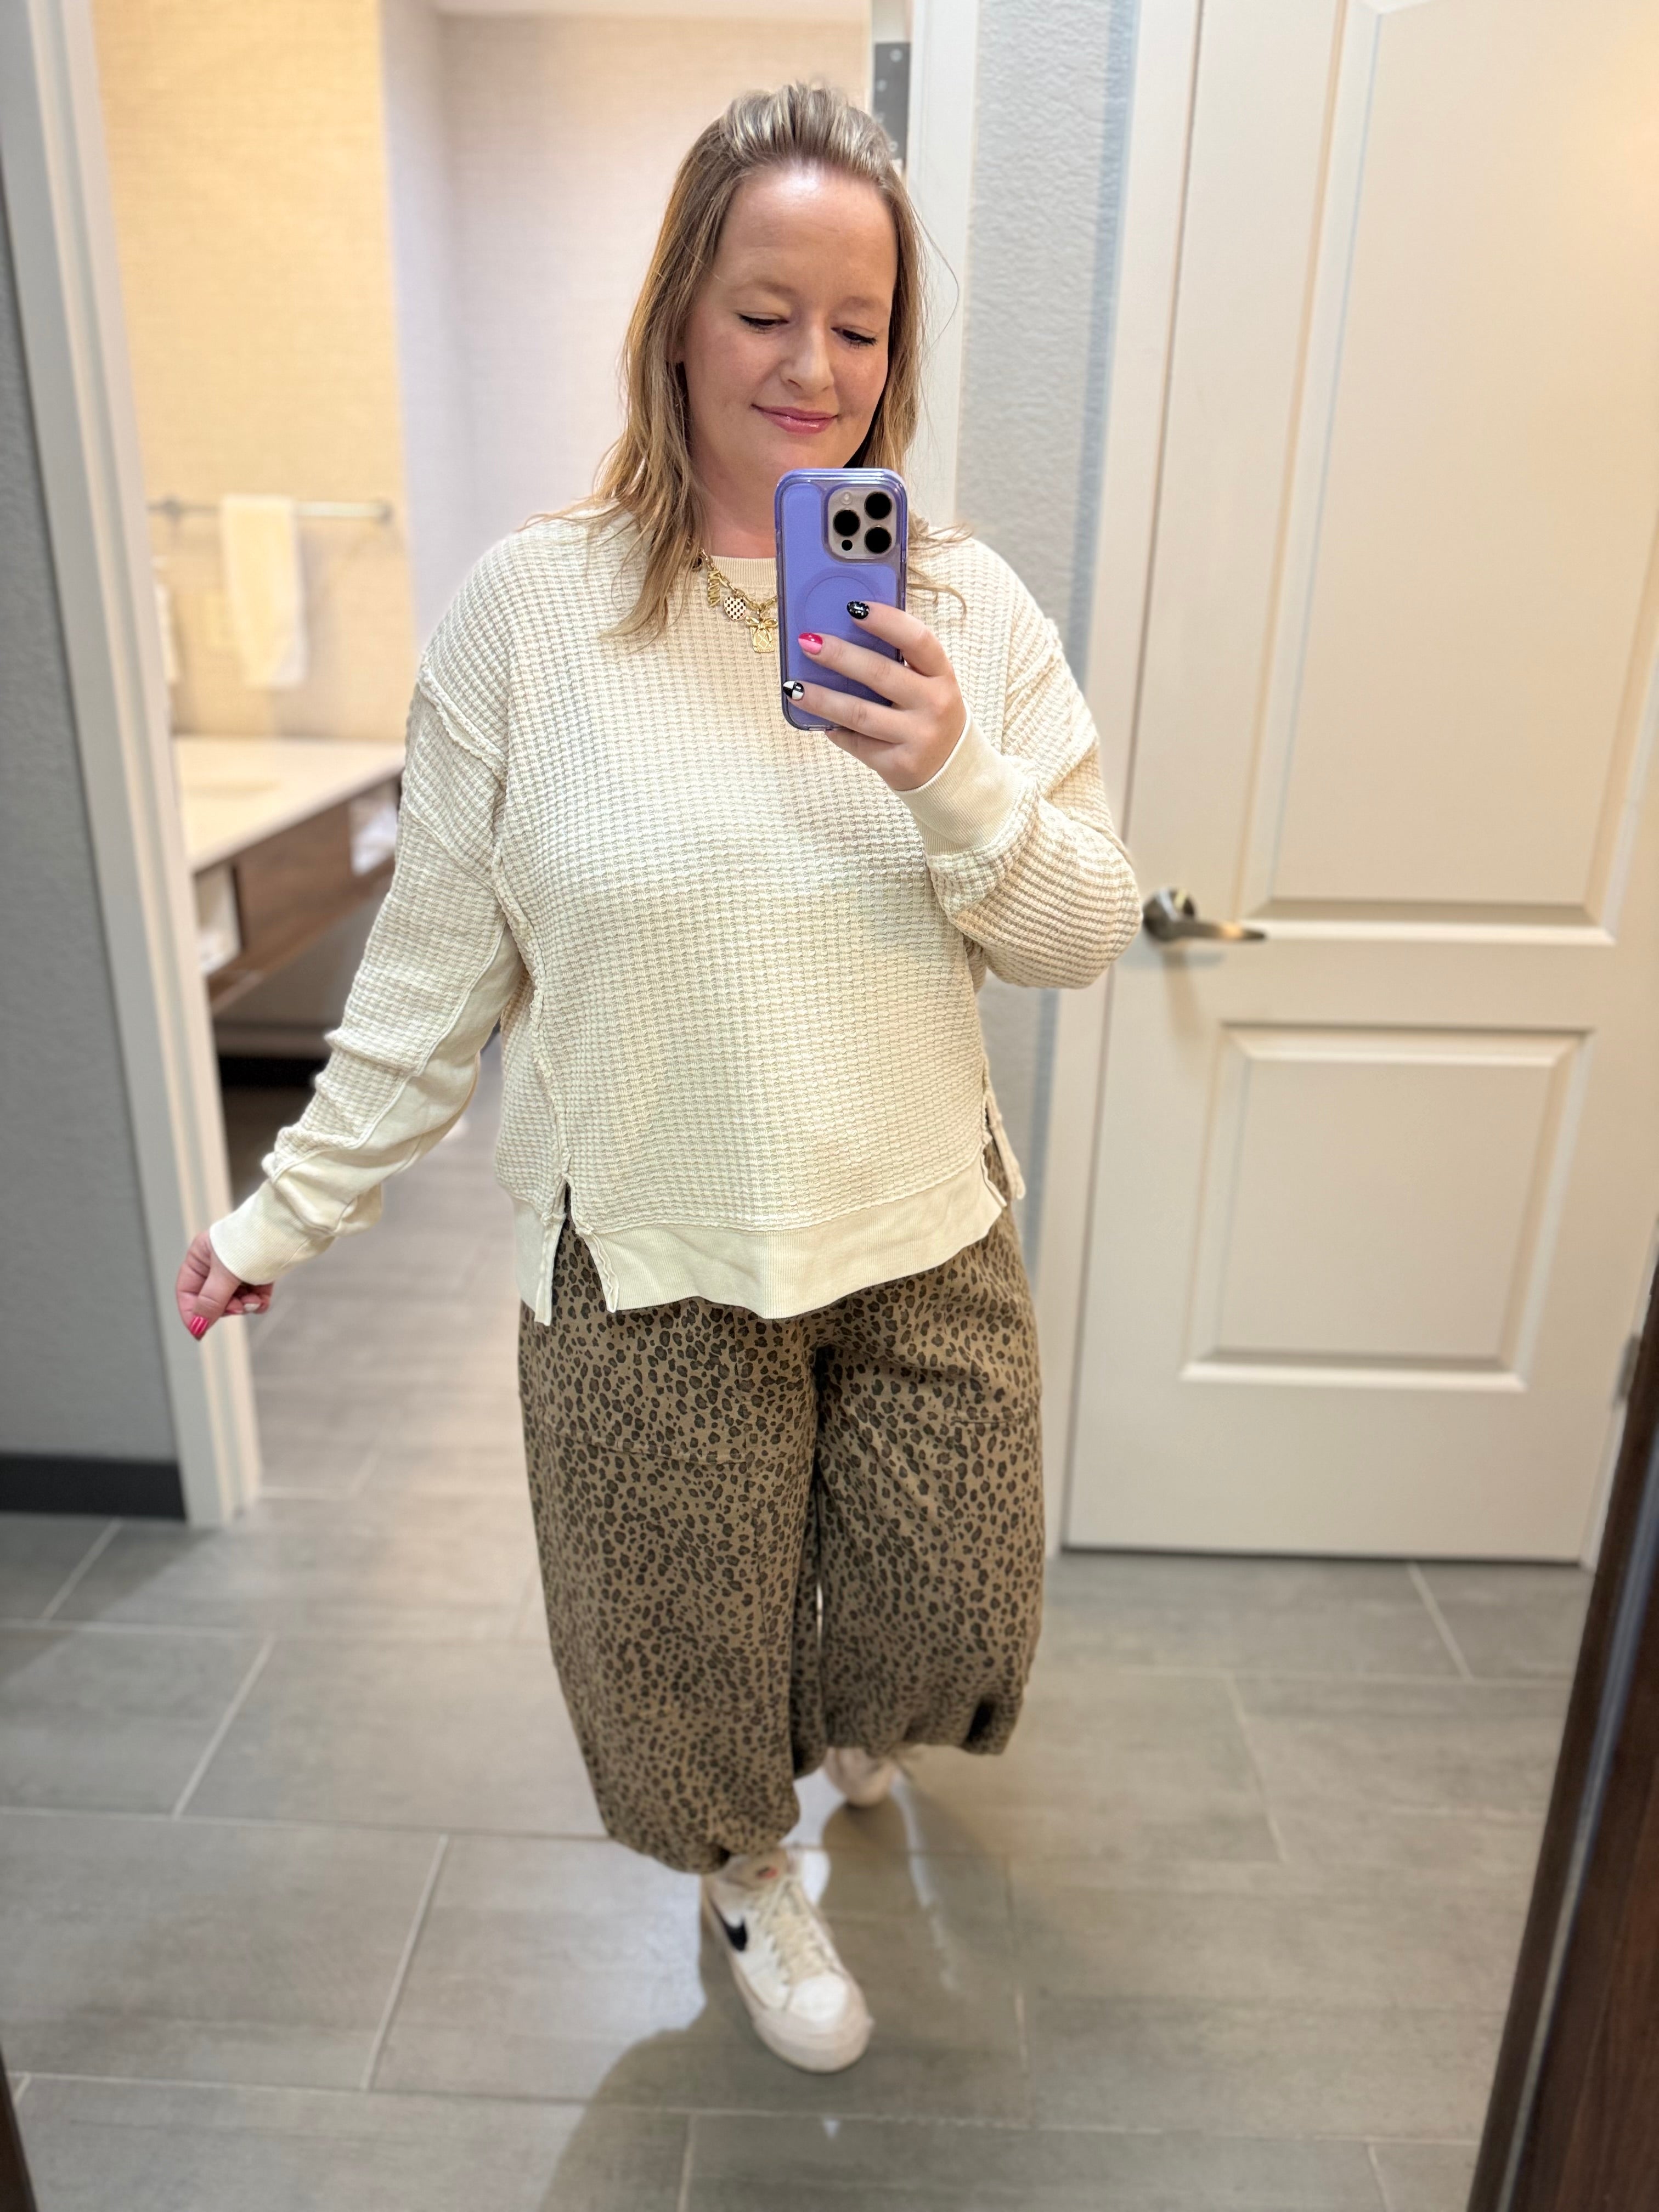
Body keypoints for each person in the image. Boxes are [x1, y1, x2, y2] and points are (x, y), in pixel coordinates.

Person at [176, 81, 1140, 2075]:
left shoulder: (960, 613)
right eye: (766, 311)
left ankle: (847, 1724)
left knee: (948, 1613)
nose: (814, 367)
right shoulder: (531, 617)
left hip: (918, 1230)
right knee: (679, 1651)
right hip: (644, 1250)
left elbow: (1082, 925)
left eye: (860, 325)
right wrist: (286, 1212)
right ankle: (745, 1871)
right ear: (679, 317)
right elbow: (431, 979)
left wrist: (953, 774)